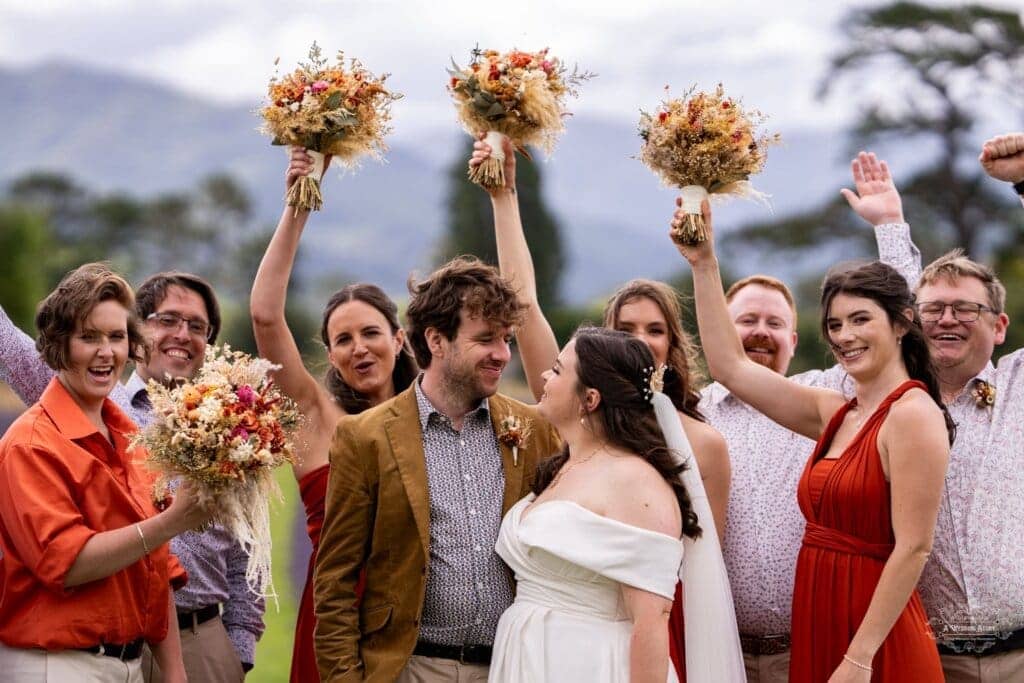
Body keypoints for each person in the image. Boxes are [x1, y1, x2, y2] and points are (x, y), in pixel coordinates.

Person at [469, 137, 731, 681]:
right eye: (626, 331)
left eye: (655, 330)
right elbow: (526, 305)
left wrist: (704, 263)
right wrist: (504, 198)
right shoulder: (571, 443)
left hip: (627, 638)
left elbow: (698, 575)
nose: (642, 341)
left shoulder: (691, 448)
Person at [678, 202, 952, 681]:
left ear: (903, 322)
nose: (845, 336)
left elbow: (914, 548)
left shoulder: (913, 414)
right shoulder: (835, 411)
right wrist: (704, 262)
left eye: (861, 319)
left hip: (872, 636)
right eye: (835, 324)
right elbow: (730, 367)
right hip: (819, 619)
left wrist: (860, 657)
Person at [0, 271, 265, 681]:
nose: (182, 334)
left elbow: (233, 551)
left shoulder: (222, 424)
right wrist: (171, 521)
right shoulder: (44, 432)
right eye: (167, 319)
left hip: (175, 641)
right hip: (65, 653)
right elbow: (65, 562)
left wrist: (235, 646)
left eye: (197, 326)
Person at [313, 256, 561, 682]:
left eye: (506, 339)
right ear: (436, 340)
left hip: (512, 666)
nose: (502, 354)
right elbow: (335, 580)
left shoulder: (534, 428)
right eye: (485, 339)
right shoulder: (364, 437)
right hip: (412, 667)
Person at [250, 147, 418, 683]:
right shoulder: (315, 417)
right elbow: (263, 313)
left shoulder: (434, 417)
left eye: (371, 333)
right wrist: (299, 202)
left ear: (399, 339)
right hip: (333, 622)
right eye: (342, 339)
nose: (359, 348)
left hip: (417, 620)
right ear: (330, 354)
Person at [489, 327, 696, 682]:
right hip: (529, 658)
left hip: (587, 663)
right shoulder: (563, 463)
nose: (543, 376)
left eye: (556, 370)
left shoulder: (636, 482)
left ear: (591, 399)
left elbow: (652, 619)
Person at [907, 132, 1024, 682]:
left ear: (999, 326)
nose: (947, 319)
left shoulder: (1021, 386)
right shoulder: (895, 401)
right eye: (934, 309)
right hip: (928, 661)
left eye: (965, 309)